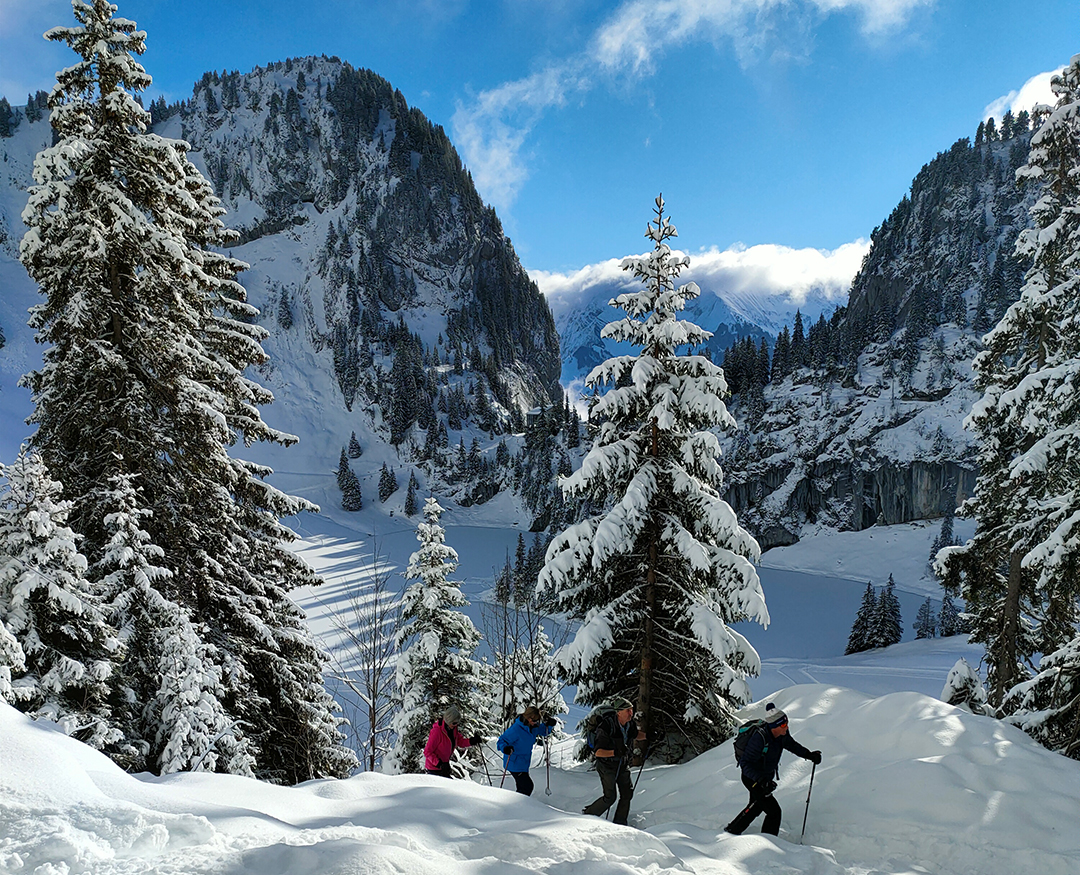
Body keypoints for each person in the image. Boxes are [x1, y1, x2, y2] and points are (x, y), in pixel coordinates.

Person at [725, 703, 822, 836]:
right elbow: (745, 763)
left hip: (765, 778)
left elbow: (793, 746)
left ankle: (732, 831)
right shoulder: (760, 738)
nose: (786, 727)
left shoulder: (782, 735)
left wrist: (809, 755)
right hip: (753, 778)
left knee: (756, 806)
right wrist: (761, 780)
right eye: (783, 725)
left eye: (787, 723)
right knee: (774, 812)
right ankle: (768, 844)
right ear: (773, 726)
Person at [582, 697, 646, 825]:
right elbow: (598, 752)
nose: (631, 713)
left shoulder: (629, 724)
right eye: (628, 710)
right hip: (607, 766)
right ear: (619, 712)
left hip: (622, 764)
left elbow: (635, 734)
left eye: (631, 710)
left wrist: (647, 736)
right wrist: (615, 752)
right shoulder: (606, 726)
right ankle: (587, 816)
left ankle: (620, 823)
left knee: (627, 794)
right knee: (610, 797)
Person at [496, 705, 558, 795]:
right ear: (528, 718)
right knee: (527, 786)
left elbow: (544, 731)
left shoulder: (533, 728)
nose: (535, 722)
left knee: (524, 787)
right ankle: (519, 805)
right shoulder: (516, 729)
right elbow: (502, 741)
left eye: (537, 721)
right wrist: (505, 748)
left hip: (524, 763)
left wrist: (550, 724)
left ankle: (519, 805)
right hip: (514, 762)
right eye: (534, 720)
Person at [424, 705, 481, 777]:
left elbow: (460, 741)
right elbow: (427, 751)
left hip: (444, 766)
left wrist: (472, 741)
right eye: (454, 723)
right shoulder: (437, 732)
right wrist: (439, 764)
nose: (456, 725)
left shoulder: (453, 730)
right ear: (448, 721)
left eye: (457, 723)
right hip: (434, 769)